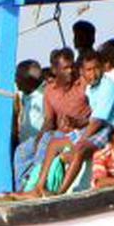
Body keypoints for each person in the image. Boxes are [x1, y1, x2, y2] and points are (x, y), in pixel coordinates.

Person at [39, 51, 114, 196]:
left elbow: (97, 122)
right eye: (89, 70)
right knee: (54, 143)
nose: (93, 74)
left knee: (80, 148)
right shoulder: (90, 88)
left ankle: (60, 192)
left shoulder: (108, 87)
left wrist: (79, 141)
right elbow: (92, 118)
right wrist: (77, 123)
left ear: (102, 68)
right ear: (82, 72)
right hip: (101, 125)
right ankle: (39, 187)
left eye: (96, 69)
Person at [16, 48, 89, 191]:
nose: (70, 71)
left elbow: (95, 116)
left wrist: (77, 122)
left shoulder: (82, 85)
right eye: (65, 68)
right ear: (55, 70)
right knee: (22, 151)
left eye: (72, 67)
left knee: (47, 141)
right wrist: (39, 137)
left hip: (80, 131)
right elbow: (49, 120)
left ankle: (36, 185)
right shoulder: (50, 90)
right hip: (58, 131)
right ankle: (22, 187)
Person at [11, 60, 46, 184]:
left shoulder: (44, 97)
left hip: (37, 146)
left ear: (29, 81)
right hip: (25, 144)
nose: (15, 81)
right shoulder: (24, 96)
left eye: (18, 77)